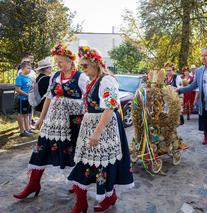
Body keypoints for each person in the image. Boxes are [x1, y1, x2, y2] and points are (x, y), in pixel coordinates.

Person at [13, 44, 89, 199]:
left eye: (60, 61)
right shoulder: (54, 76)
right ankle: (33, 184)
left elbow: (88, 99)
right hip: (52, 121)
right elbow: (49, 97)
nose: (58, 64)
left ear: (70, 61)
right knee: (40, 150)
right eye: (57, 61)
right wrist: (41, 119)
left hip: (73, 123)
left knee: (76, 153)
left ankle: (78, 184)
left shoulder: (81, 77)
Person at [68, 46, 134, 213]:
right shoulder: (93, 80)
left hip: (105, 127)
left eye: (85, 66)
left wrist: (97, 132)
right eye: (81, 66)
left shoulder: (106, 80)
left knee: (104, 164)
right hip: (91, 125)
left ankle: (108, 196)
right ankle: (82, 202)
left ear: (96, 63)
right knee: (84, 162)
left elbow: (110, 107)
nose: (83, 70)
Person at [15, 62, 33, 137]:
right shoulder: (19, 78)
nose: (30, 70)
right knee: (21, 114)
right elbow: (17, 89)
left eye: (30, 68)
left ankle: (27, 129)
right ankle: (22, 131)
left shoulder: (28, 78)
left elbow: (29, 88)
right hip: (22, 99)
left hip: (28, 99)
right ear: (22, 69)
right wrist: (27, 95)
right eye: (28, 68)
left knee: (27, 115)